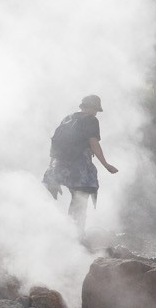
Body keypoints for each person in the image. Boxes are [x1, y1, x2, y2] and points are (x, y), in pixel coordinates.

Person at [44, 94, 117, 235]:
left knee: (71, 200)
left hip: (59, 165)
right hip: (78, 167)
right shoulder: (91, 120)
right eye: (95, 109)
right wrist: (106, 164)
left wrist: (51, 167)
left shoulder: (67, 118)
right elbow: (93, 143)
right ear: (91, 107)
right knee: (80, 200)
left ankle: (60, 233)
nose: (96, 112)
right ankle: (76, 235)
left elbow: (55, 143)